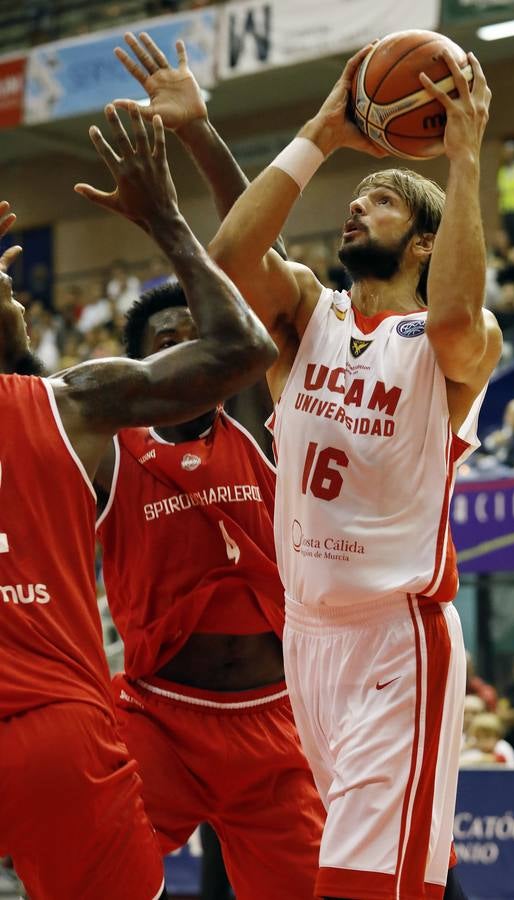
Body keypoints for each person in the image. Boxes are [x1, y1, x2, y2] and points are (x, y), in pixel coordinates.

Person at [205, 40, 501, 900]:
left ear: (424, 243)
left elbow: (451, 314)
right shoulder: (307, 316)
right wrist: (324, 133)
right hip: (308, 640)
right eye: (358, 196)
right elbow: (230, 259)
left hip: (397, 638)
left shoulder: (457, 345)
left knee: (359, 886)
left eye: (380, 201)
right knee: (393, 878)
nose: (356, 208)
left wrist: (464, 154)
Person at [0, 103, 276, 900]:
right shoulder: (72, 407)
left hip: (261, 712)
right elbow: (241, 346)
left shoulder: (219, 426)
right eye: (7, 294)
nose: (21, 300)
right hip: (78, 723)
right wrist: (164, 217)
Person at [91, 31, 324, 900]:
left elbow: (255, 261)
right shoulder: (108, 446)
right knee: (92, 874)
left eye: (197, 337)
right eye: (166, 345)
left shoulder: (256, 414)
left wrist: (197, 132)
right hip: (160, 717)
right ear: (134, 374)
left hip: (274, 721)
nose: (190, 354)